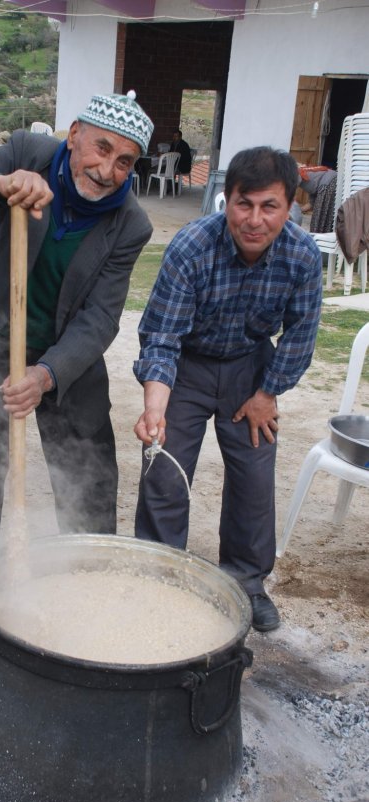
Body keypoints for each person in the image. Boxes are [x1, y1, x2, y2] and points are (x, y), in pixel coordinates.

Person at [0, 90, 154, 649]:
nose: (107, 169)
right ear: (74, 134)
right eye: (100, 148)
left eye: (125, 161)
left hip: (67, 367)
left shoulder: (130, 223)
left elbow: (99, 321)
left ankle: (88, 588)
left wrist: (46, 375)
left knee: (94, 483)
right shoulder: (26, 151)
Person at [133, 146, 323, 633]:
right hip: (188, 367)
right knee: (164, 468)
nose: (254, 220)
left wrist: (268, 393)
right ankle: (159, 577)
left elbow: (300, 334)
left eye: (269, 206)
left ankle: (246, 582)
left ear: (289, 205)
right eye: (245, 204)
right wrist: (156, 405)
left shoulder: (302, 256)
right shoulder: (192, 246)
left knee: (255, 477)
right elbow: (162, 335)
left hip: (250, 370)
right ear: (227, 199)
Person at [297, 164, 337, 233]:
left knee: (319, 216)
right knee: (327, 214)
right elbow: (311, 204)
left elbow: (291, 187)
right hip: (333, 180)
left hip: (328, 184)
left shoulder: (296, 172)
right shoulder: (313, 186)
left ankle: (319, 237)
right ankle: (325, 236)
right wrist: (298, 210)